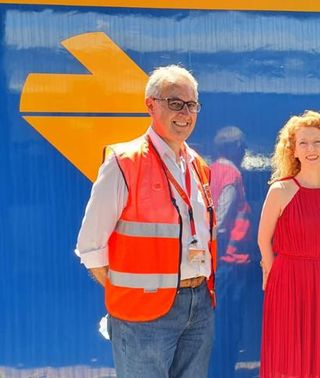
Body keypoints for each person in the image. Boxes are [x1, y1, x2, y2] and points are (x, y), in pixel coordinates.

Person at [74, 65, 217, 377]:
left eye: (192, 104)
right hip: (143, 316)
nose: (185, 112)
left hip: (199, 306)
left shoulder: (199, 168)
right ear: (150, 105)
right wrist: (130, 293)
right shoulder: (124, 163)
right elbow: (90, 246)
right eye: (174, 102)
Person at [257, 110, 320, 377]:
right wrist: (271, 273)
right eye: (303, 143)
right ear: (293, 150)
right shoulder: (280, 190)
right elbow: (263, 238)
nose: (311, 149)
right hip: (288, 280)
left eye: (317, 142)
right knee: (288, 356)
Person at [209, 125, 253, 377]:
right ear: (235, 148)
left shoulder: (211, 170)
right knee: (229, 325)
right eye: (242, 145)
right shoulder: (231, 175)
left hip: (217, 263)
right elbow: (220, 221)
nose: (246, 149)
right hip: (230, 263)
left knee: (218, 323)